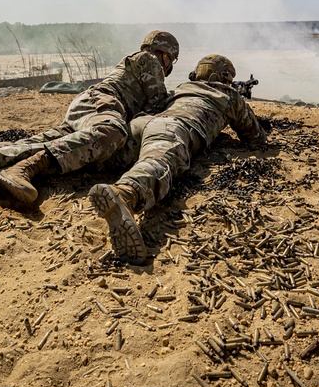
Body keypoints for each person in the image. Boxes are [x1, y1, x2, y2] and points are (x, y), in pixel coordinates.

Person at [0, 30, 180, 203]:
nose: (168, 66)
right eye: (171, 61)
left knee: (38, 142)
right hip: (102, 105)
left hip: (88, 106)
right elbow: (157, 105)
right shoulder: (149, 60)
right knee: (112, 132)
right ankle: (27, 167)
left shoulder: (134, 62)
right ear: (166, 55)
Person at [89, 54, 266, 264]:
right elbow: (254, 136)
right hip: (172, 127)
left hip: (143, 123)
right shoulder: (228, 95)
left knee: (106, 159)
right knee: (159, 162)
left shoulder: (182, 88)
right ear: (223, 77)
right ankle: (127, 192)